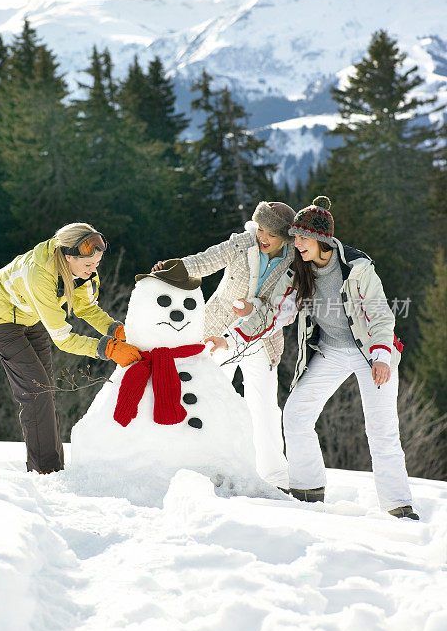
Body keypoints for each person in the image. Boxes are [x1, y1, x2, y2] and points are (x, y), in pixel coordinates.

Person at [209, 196, 418, 519]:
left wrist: (380, 356)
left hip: (371, 353)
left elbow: (380, 315)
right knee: (295, 414)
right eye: (295, 238)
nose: (297, 244)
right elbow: (271, 315)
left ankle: (397, 505)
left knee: (381, 429)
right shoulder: (299, 272)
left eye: (302, 238)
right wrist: (229, 339)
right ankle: (308, 489)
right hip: (331, 351)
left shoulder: (357, 267)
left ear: (321, 240)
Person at [152, 201, 296, 489]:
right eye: (262, 230)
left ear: (287, 238)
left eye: (272, 234)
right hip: (217, 330)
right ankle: (203, 466)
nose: (264, 238)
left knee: (264, 406)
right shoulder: (243, 243)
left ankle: (275, 477)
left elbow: (286, 308)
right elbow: (207, 260)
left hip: (261, 337)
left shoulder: (295, 260)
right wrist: (175, 268)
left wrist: (253, 309)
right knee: (207, 397)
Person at [0, 223, 142, 474]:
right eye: (88, 265)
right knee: (36, 392)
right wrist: (107, 350)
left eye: (97, 263)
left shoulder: (84, 270)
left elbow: (86, 308)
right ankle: (46, 472)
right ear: (68, 257)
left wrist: (116, 330)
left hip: (34, 318)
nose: (93, 269)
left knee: (47, 390)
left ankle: (55, 467)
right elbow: (63, 339)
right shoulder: (39, 275)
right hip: (0, 320)